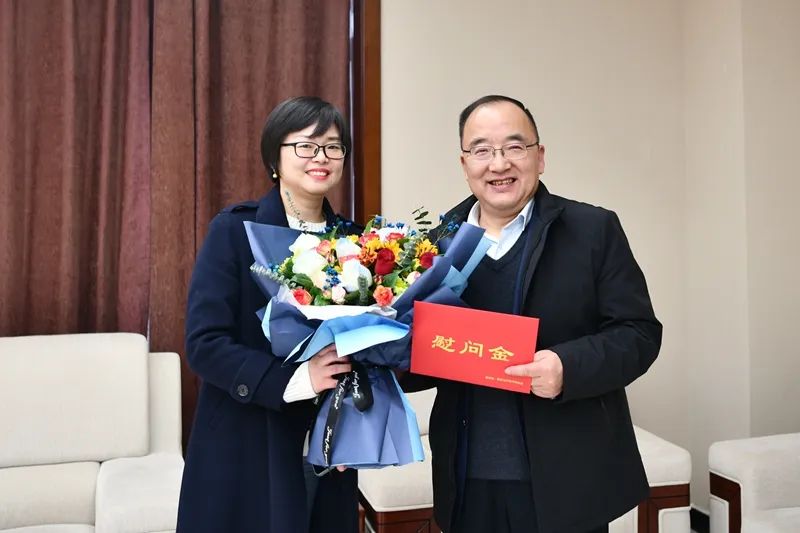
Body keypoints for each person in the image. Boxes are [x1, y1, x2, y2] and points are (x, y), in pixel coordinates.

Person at [412, 95, 662, 533]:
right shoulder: (436, 244)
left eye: (515, 147)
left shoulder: (592, 230)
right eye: (482, 150)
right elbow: (426, 356)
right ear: (464, 162)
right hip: (467, 479)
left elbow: (639, 334)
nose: (499, 163)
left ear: (539, 157)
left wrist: (568, 367)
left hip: (564, 479)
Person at [176, 96, 360, 533]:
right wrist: (296, 380)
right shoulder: (235, 231)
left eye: (333, 147)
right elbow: (205, 344)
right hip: (247, 441)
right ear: (274, 156)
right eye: (306, 146)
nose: (322, 157)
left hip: (329, 444)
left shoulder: (358, 242)